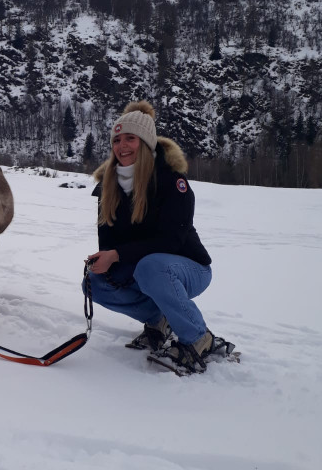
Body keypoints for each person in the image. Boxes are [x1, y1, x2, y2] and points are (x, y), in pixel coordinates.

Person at [84, 100, 225, 373]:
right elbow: (109, 244)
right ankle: (159, 320)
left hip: (188, 269)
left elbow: (172, 241)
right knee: (94, 282)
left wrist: (118, 255)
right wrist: (105, 259)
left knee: (152, 267)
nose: (122, 146)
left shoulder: (172, 183)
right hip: (145, 271)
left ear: (147, 143)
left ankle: (198, 338)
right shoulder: (107, 187)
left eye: (130, 139)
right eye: (117, 140)